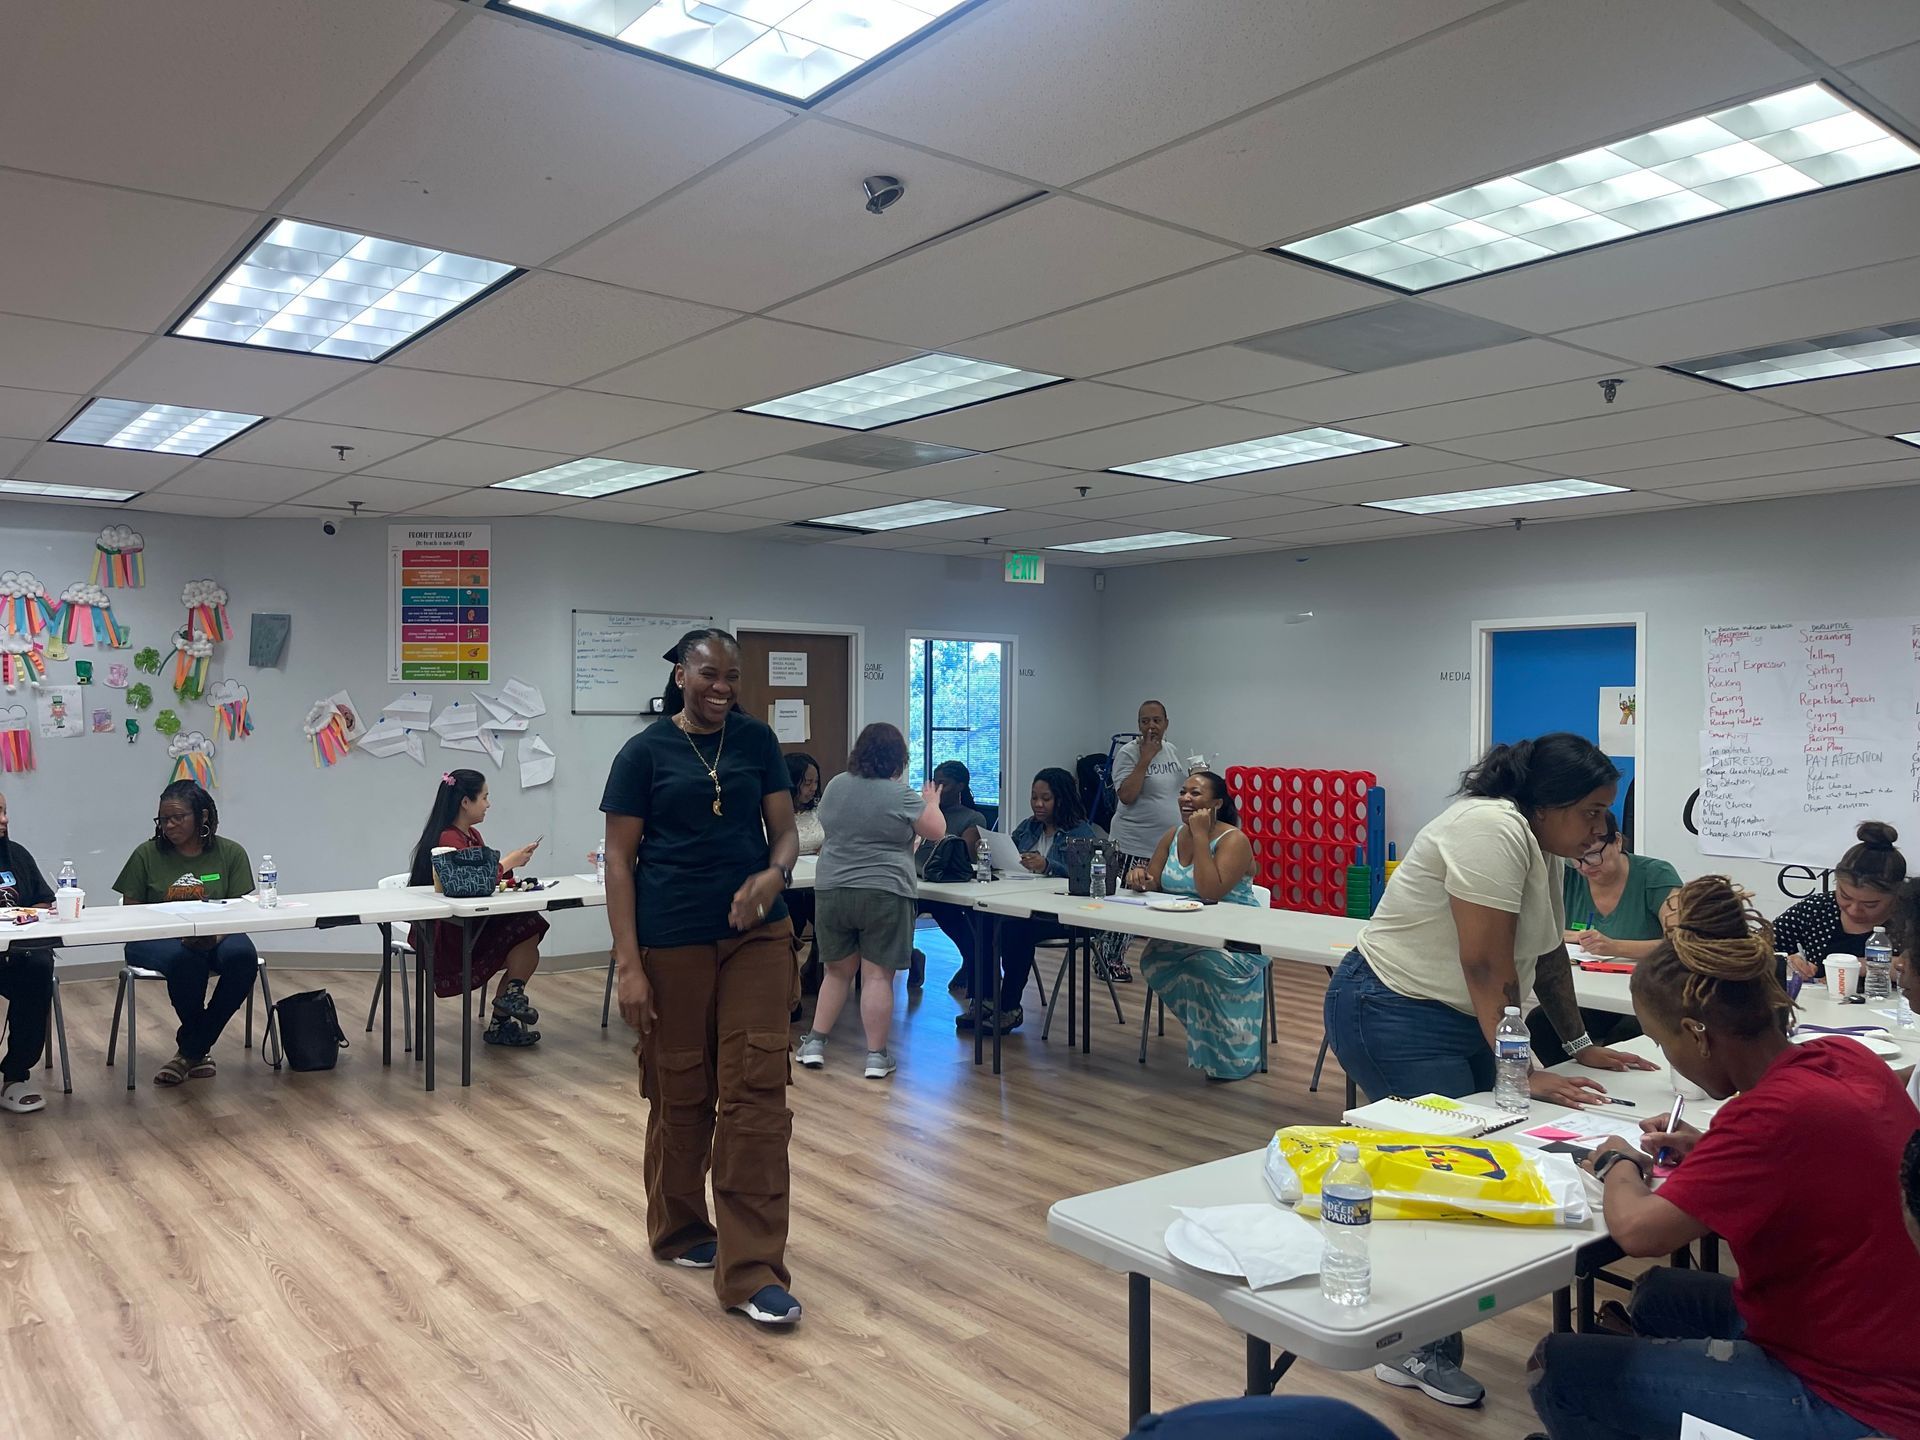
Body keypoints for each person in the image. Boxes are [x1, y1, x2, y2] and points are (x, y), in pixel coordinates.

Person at [1322, 733, 1656, 1408]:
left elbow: (1547, 957)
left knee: (1492, 1147)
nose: (1602, 827)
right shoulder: (1489, 828)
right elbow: (1485, 963)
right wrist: (1521, 1070)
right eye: (1592, 810)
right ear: (1548, 802)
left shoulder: (1542, 846)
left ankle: (1428, 1332)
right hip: (1391, 1008)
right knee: (1445, 1164)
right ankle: (1416, 1349)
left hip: (1458, 1012)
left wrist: (1578, 1043)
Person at [1527, 875, 1920, 1440]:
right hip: (1887, 1336)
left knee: (1558, 1370)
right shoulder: (1841, 1057)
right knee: (1660, 1296)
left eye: (1665, 1046)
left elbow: (1638, 1232)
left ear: (1698, 1033)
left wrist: (1619, 1164)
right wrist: (1714, 1149)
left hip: (1867, 1399)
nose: (1671, 1060)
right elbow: (1810, 1157)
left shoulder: (1768, 1116)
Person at [602, 627, 803, 1327]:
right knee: (681, 1087)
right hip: (672, 937)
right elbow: (619, 862)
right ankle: (682, 1227)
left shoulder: (755, 743)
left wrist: (773, 876)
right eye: (710, 674)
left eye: (732, 677)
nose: (722, 688)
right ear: (681, 673)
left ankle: (750, 1272)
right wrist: (628, 965)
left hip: (756, 935)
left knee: (755, 1094)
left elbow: (786, 832)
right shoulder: (643, 753)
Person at [796, 723, 943, 1077]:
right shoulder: (901, 795)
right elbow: (936, 831)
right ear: (897, 760)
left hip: (832, 889)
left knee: (836, 972)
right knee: (877, 976)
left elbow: (832, 827)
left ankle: (815, 1043)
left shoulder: (835, 786)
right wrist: (932, 802)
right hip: (885, 891)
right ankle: (876, 1057)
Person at [113, 781, 261, 1086]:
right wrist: (181, 935)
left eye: (177, 817)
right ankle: (196, 1048)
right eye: (163, 819)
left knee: (243, 957)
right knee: (187, 960)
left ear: (202, 816)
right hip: (155, 937)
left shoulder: (231, 853)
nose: (169, 825)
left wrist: (214, 937)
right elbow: (131, 913)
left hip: (218, 932)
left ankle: (191, 1048)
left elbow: (241, 910)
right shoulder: (146, 854)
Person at [1124, 772, 1266, 1079]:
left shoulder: (1234, 840)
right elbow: (1155, 881)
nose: (1186, 799)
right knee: (1152, 959)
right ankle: (1212, 1034)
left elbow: (1210, 891)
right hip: (1190, 934)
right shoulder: (1172, 836)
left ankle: (1231, 1055)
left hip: (1237, 939)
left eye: (1196, 794)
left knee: (1204, 967)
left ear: (1216, 803)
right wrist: (1141, 879)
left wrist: (1201, 836)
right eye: (1183, 792)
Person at [405, 769, 546, 1047]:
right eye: (484, 797)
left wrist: (508, 877)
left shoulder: (472, 835)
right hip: (447, 934)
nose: (488, 804)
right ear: (465, 802)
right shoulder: (447, 839)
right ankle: (507, 1006)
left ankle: (506, 1008)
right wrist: (508, 862)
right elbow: (467, 883)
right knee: (527, 928)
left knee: (529, 933)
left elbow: (483, 884)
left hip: (471, 925)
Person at [1528, 813, 1681, 1065]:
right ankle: (1580, 1082)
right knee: (1541, 1023)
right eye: (1577, 859)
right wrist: (1574, 936)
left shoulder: (1655, 874)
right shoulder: (1566, 875)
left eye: (1595, 854)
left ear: (1618, 841)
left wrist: (1614, 946)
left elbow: (1682, 941)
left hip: (1647, 992)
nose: (1586, 866)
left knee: (1627, 1034)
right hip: (1588, 988)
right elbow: (1538, 927)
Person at [973, 767, 1097, 1034]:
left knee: (1014, 929)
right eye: (1034, 798)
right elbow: (1008, 853)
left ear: (1061, 799)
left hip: (1063, 915)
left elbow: (1085, 876)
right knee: (982, 921)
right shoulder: (1029, 826)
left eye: (1046, 798)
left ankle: (1008, 1007)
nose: (1038, 804)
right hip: (1026, 903)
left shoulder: (1081, 831)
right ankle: (984, 999)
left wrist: (1048, 866)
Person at [1098, 700, 1187, 983]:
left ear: (1166, 723)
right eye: (1145, 721)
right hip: (1132, 842)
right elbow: (1126, 795)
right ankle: (1107, 960)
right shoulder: (1128, 753)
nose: (1151, 726)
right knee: (1126, 908)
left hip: (1163, 844)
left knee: (1155, 904)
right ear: (1138, 725)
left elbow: (1176, 789)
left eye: (1156, 720)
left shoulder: (1172, 750)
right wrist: (1145, 758)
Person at [1775, 820, 1904, 982]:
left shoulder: (1911, 917)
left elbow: (1913, 967)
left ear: (1896, 894)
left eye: (1870, 904)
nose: (1853, 910)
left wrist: (1862, 965)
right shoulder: (1817, 909)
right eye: (1845, 897)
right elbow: (1756, 947)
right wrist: (1784, 962)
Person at [917, 759, 990, 1008]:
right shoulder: (923, 812)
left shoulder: (972, 817)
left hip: (948, 885)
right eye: (934, 782)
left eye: (943, 784)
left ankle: (972, 962)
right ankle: (910, 956)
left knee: (948, 912)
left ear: (960, 786)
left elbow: (966, 854)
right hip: (918, 878)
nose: (937, 788)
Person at [0, 792, 55, 1114]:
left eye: (5, 811)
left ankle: (16, 1073)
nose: (5, 820)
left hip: (17, 956)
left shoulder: (16, 855)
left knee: (39, 966)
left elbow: (44, 902)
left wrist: (29, 913)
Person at [783, 752, 823, 992]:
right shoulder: (772, 808)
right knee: (794, 907)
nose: (811, 789)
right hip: (787, 881)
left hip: (817, 878)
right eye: (806, 783)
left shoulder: (820, 809)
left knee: (826, 910)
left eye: (815, 782)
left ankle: (815, 968)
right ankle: (788, 978)